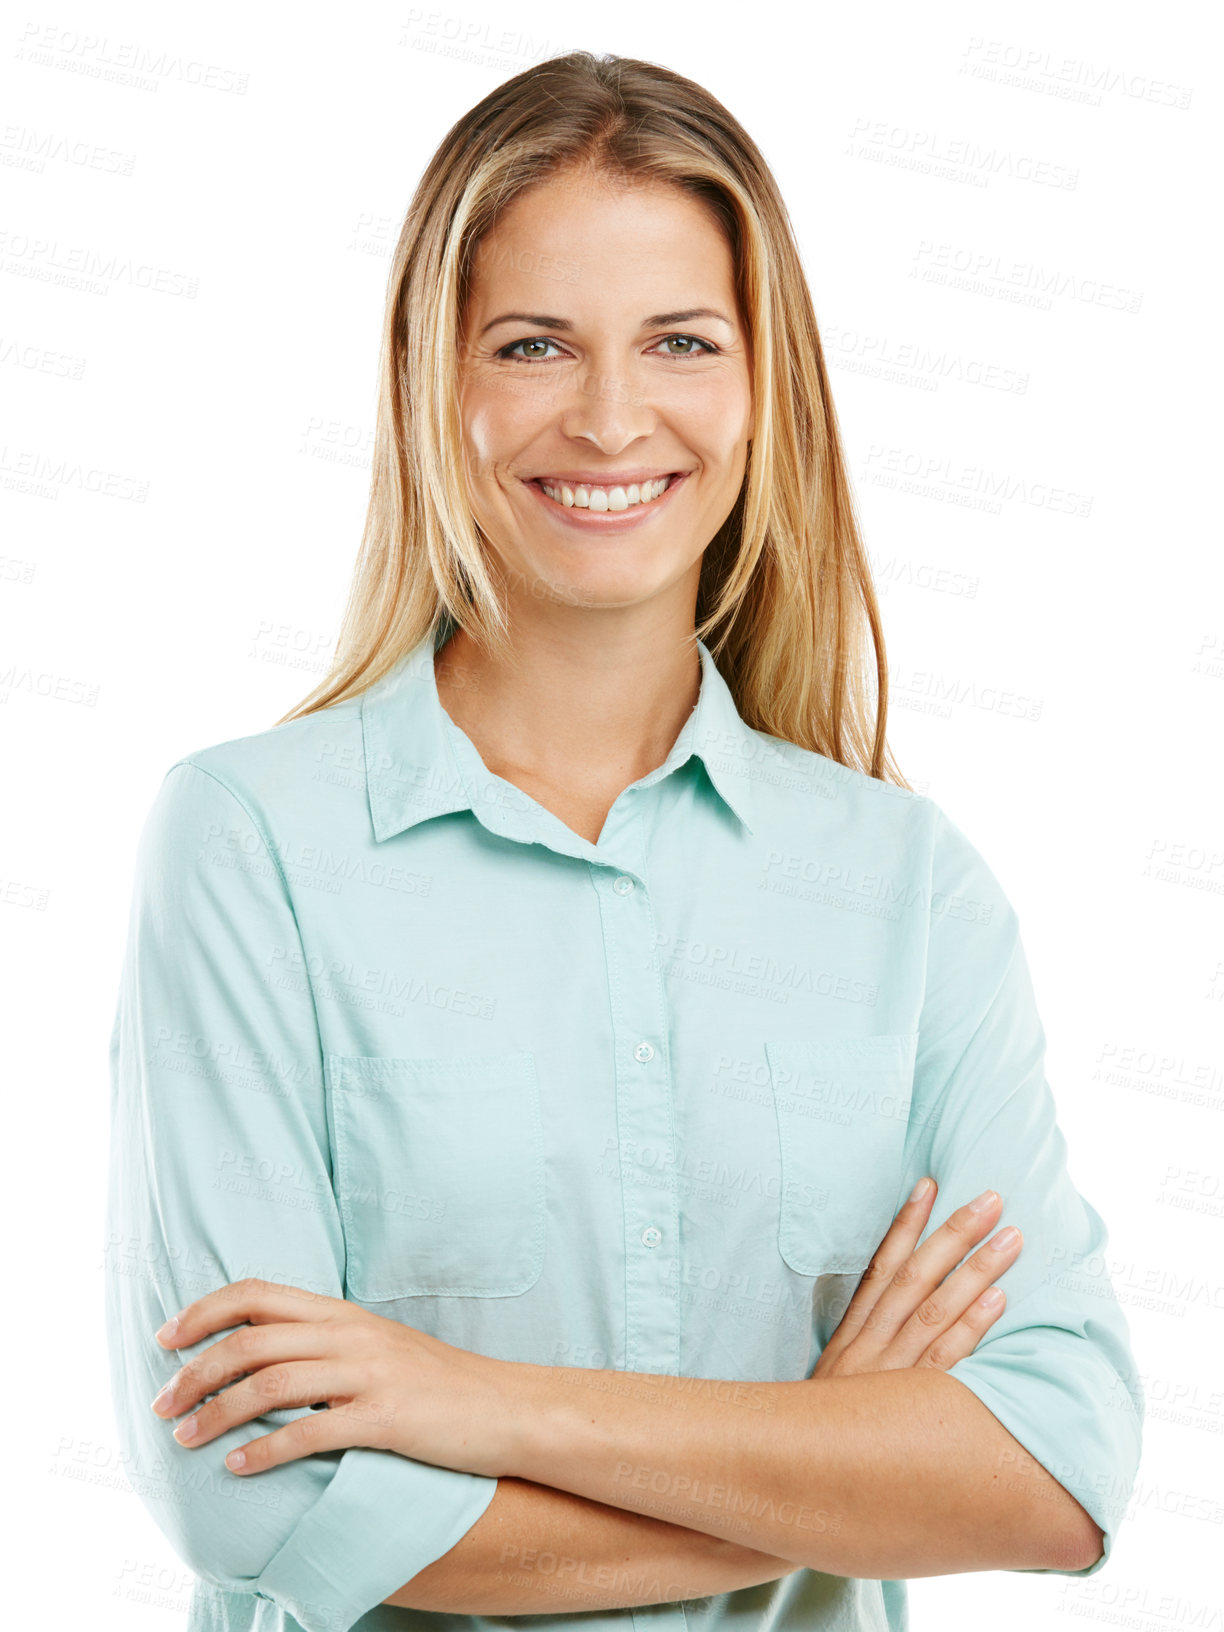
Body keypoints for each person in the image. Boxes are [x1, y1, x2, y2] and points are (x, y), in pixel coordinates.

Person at [104, 49, 1144, 1632]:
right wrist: (830, 1464)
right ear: (428, 378)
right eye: (533, 344)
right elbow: (262, 1489)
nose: (610, 417)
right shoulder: (250, 846)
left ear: (759, 383)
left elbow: (1058, 1475)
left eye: (680, 341)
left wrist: (483, 1404)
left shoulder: (905, 889)